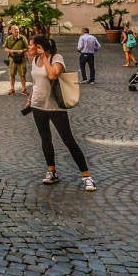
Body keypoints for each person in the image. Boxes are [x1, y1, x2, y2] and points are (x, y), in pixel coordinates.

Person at [25, 34, 97, 191]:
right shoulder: (34, 60)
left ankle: (87, 176)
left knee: (69, 141)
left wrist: (44, 56)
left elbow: (52, 75)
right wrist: (30, 98)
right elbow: (36, 82)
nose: (29, 47)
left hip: (56, 107)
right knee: (46, 140)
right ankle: (52, 172)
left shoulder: (56, 58)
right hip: (38, 107)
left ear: (39, 47)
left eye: (31, 45)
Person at [3, 25, 29, 96]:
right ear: (11, 31)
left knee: (22, 75)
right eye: (15, 30)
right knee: (12, 74)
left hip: (21, 59)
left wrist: (22, 50)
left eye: (17, 29)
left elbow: (27, 48)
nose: (17, 31)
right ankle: (12, 89)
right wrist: (10, 50)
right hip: (12, 59)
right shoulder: (8, 38)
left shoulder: (22, 38)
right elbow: (5, 48)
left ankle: (24, 89)